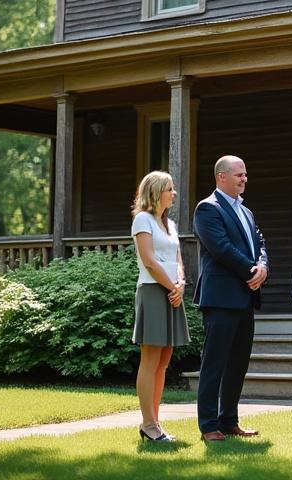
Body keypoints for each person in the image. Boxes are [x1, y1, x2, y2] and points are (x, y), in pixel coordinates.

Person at [193, 155, 269, 442]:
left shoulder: (246, 211)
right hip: (220, 297)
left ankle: (229, 421)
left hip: (245, 296)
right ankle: (208, 425)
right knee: (214, 364)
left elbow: (260, 242)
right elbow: (221, 248)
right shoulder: (207, 209)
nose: (244, 179)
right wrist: (252, 270)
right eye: (239, 175)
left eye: (245, 174)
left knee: (238, 364)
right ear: (221, 177)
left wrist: (263, 266)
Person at [130, 171, 189, 442]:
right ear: (155, 192)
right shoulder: (142, 220)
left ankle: (156, 422)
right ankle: (148, 424)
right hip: (154, 292)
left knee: (163, 362)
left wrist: (181, 284)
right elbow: (149, 261)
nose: (174, 193)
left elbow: (177, 259)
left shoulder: (170, 224)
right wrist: (172, 287)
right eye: (170, 189)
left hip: (172, 293)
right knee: (150, 360)